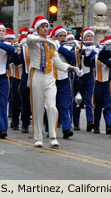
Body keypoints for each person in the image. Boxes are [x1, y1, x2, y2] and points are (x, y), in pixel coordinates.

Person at [27, 16, 81, 147]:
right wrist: (45, 41)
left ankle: (53, 136)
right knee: (38, 108)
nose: (46, 28)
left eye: (47, 26)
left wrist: (72, 68)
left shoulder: (52, 44)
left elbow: (57, 63)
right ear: (37, 29)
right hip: (37, 74)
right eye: (43, 26)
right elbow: (29, 39)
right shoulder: (33, 41)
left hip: (50, 77)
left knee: (52, 106)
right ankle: (38, 138)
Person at [50, 26, 75, 139]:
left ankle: (66, 129)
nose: (63, 38)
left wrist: (59, 47)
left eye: (64, 36)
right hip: (51, 79)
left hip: (64, 79)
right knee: (51, 106)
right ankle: (51, 128)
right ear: (55, 36)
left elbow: (72, 58)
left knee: (64, 105)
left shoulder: (68, 48)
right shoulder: (49, 46)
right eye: (60, 36)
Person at [84, 36, 111, 134]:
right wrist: (87, 54)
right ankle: (96, 125)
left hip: (108, 82)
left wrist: (102, 58)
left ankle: (109, 126)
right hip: (98, 83)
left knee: (108, 105)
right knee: (98, 105)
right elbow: (88, 64)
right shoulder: (96, 56)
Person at [73, 28, 96, 131]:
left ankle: (90, 121)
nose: (90, 38)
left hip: (89, 75)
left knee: (88, 99)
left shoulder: (95, 49)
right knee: (77, 99)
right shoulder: (78, 48)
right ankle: (76, 122)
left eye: (91, 36)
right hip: (78, 75)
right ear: (83, 38)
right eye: (87, 36)